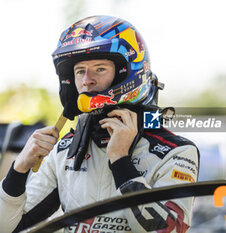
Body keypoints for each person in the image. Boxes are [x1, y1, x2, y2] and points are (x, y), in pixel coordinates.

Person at [0, 15, 199, 233]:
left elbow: (165, 229)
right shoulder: (64, 151)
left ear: (127, 72)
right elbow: (8, 228)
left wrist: (121, 161)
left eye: (99, 69)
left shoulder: (177, 151)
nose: (87, 80)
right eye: (79, 71)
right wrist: (18, 170)